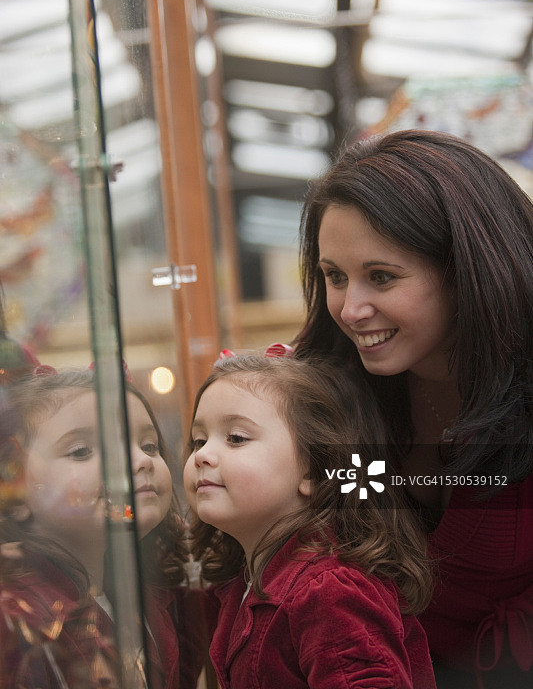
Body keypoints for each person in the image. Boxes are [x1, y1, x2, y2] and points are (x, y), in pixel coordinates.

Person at [295, 128, 533, 688]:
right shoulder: (327, 394)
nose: (350, 309)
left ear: (468, 269)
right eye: (335, 277)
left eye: (381, 277)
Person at [184, 350, 437, 689]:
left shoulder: (330, 592)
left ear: (314, 471)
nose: (202, 455)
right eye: (198, 440)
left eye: (236, 438)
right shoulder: (239, 584)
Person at [0, 368, 202, 689]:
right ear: (15, 488)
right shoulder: (18, 618)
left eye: (149, 445)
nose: (141, 461)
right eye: (82, 451)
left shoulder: (146, 596)